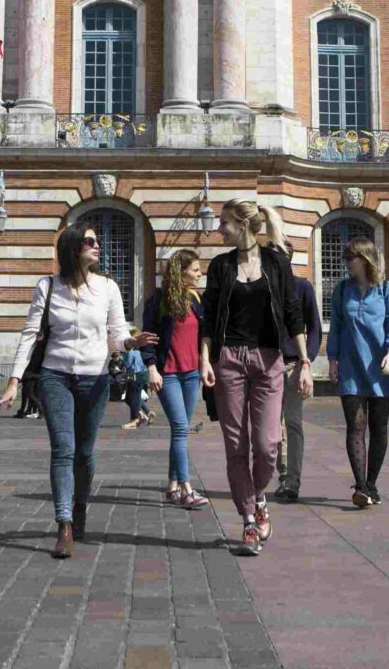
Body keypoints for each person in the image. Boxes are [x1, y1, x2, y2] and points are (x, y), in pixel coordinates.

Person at [0, 222, 158, 559]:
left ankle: (79, 508)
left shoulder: (108, 287)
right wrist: (13, 383)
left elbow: (115, 336)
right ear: (72, 247)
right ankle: (64, 525)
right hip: (56, 376)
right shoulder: (48, 286)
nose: (97, 246)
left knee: (84, 453)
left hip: (95, 379)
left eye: (98, 241)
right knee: (63, 450)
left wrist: (131, 342)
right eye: (89, 241)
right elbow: (28, 335)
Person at [201, 201, 314, 555]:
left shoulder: (277, 262)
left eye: (224, 223)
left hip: (269, 359)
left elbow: (293, 313)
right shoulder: (220, 267)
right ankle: (249, 521)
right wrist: (206, 359)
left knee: (266, 446)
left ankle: (259, 495)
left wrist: (306, 360)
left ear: (242, 224)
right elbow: (208, 316)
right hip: (229, 360)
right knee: (236, 446)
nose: (219, 229)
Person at [328, 238, 389, 509]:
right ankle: (360, 486)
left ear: (365, 259)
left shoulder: (387, 290)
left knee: (378, 427)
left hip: (380, 367)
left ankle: (372, 483)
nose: (346, 261)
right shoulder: (341, 291)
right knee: (355, 426)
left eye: (351, 257)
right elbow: (336, 326)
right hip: (351, 367)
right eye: (346, 256)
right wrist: (332, 360)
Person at [143, 249, 208, 509]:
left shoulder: (195, 298)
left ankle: (171, 486)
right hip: (167, 373)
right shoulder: (158, 300)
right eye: (195, 269)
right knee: (181, 429)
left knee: (179, 431)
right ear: (181, 273)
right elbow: (147, 335)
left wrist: (205, 364)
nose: (199, 273)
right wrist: (151, 368)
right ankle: (186, 489)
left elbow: (204, 335)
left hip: (192, 374)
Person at [274, 241, 322, 503]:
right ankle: (282, 473)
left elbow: (314, 327)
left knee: (292, 422)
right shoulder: (263, 288)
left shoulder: (302, 287)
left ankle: (291, 480)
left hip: (293, 364)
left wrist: (307, 362)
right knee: (271, 425)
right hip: (266, 364)